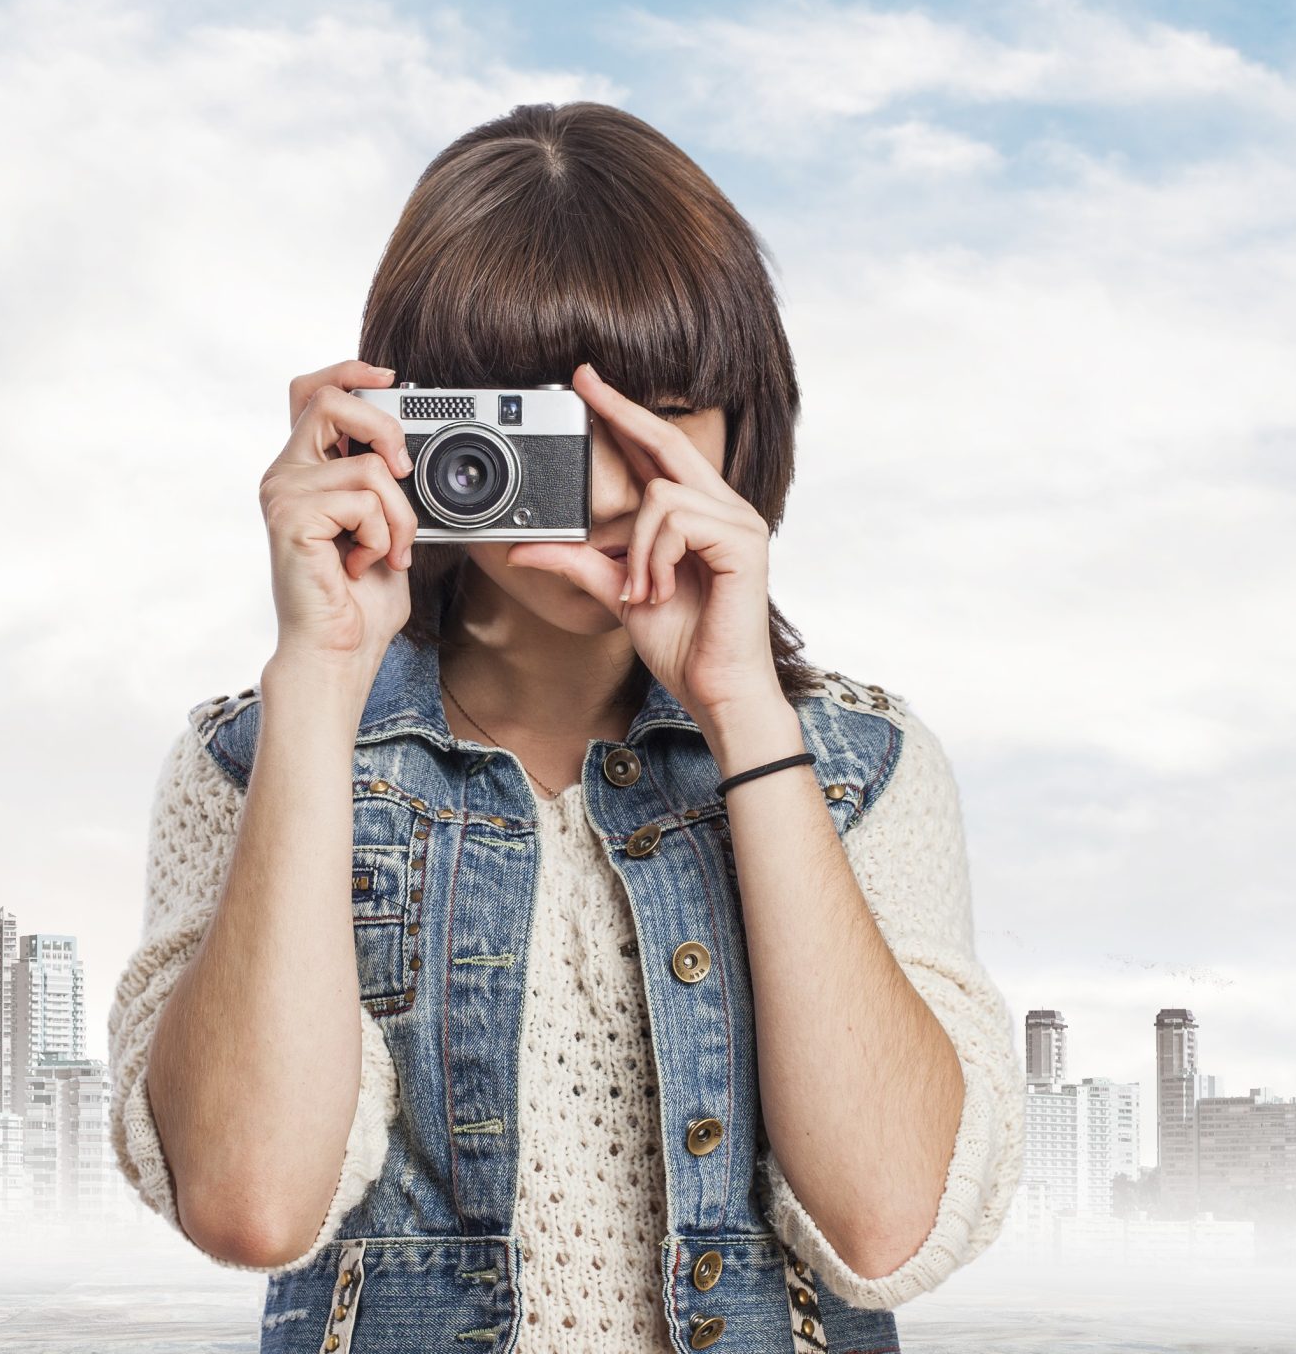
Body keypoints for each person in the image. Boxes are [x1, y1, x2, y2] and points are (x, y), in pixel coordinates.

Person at [107, 101, 1021, 1353]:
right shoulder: (247, 760)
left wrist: (742, 704)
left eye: (651, 412)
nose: (592, 482)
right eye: (526, 424)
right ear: (403, 420)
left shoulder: (863, 769)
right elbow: (250, 1203)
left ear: (741, 420)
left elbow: (884, 1226)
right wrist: (318, 679)